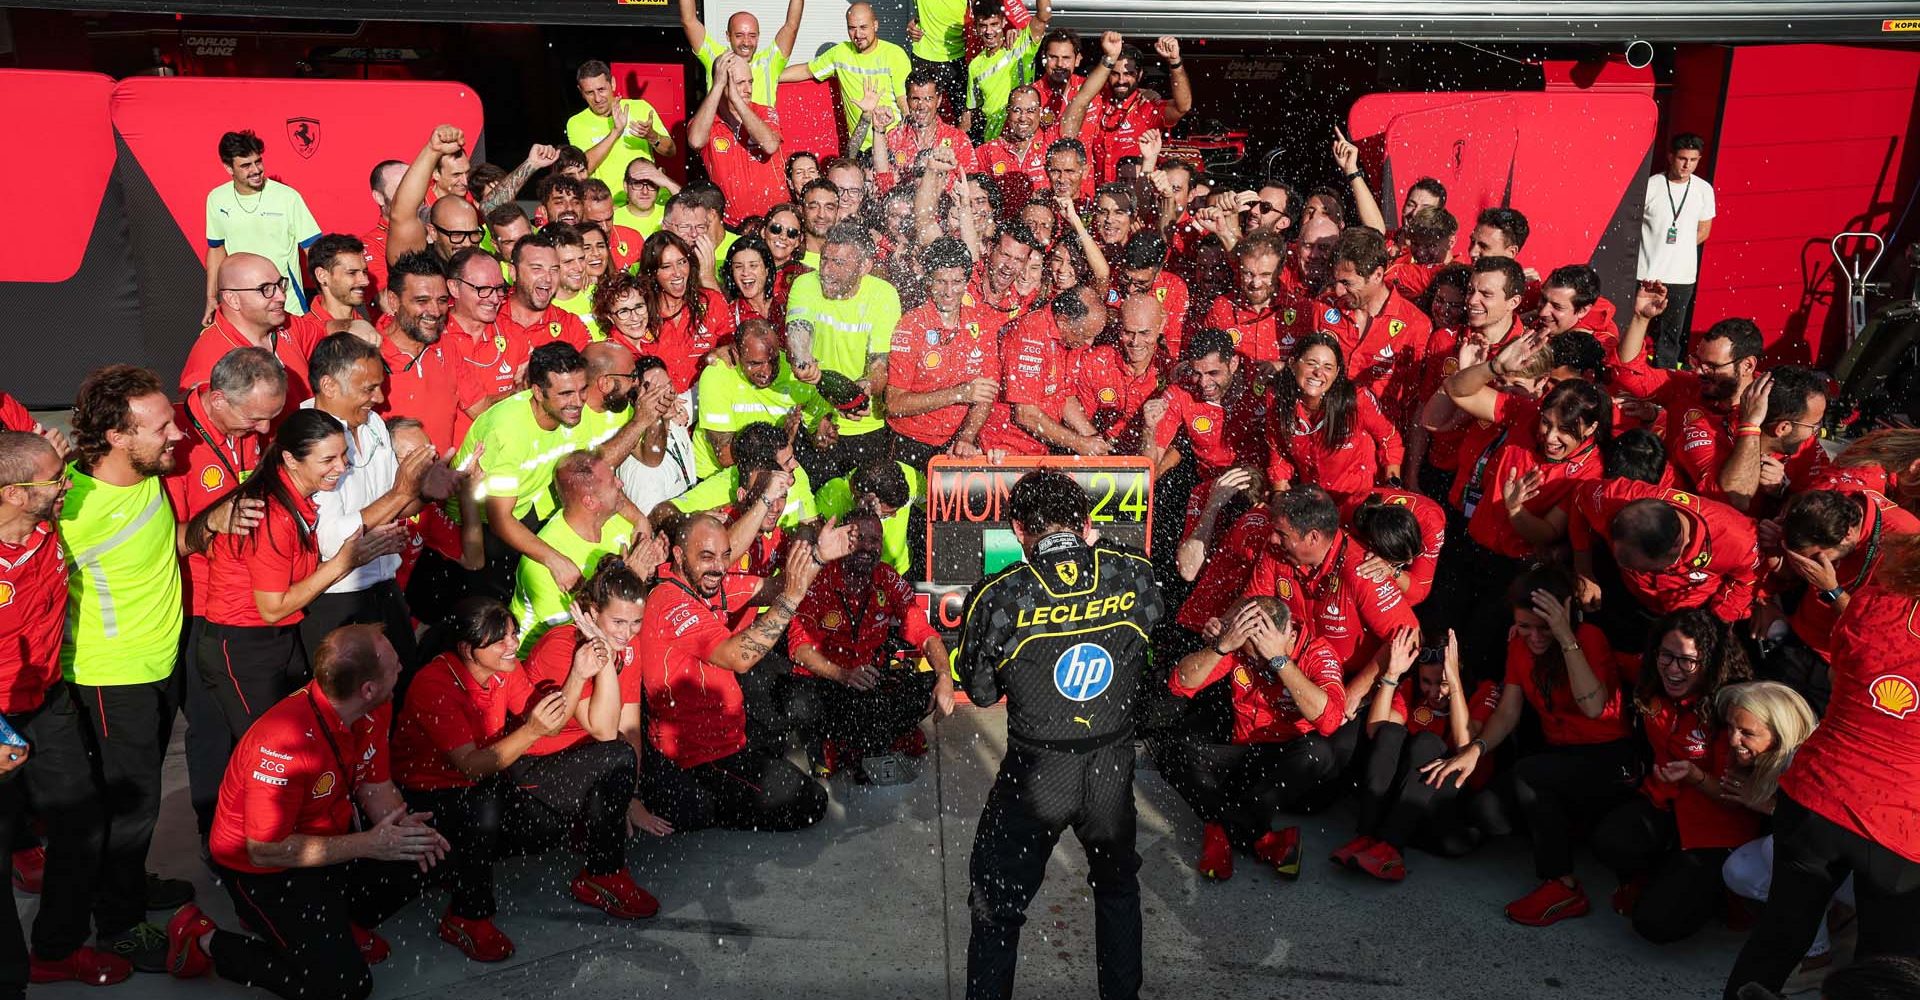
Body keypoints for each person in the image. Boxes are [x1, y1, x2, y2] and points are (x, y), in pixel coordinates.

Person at [956, 470, 1163, 1000]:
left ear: (1019, 530)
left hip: (1037, 771)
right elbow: (1154, 639)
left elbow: (978, 693)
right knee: (1117, 889)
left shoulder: (1000, 594)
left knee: (997, 903)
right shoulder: (1130, 571)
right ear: (1086, 522)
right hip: (1112, 767)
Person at [165, 626, 447, 1000]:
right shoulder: (283, 742)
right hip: (266, 870)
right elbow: (263, 850)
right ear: (367, 688)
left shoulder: (375, 705)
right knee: (343, 988)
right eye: (396, 667)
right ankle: (205, 939)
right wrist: (370, 843)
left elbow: (374, 784)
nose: (402, 670)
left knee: (428, 851)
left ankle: (336, 927)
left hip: (330, 845)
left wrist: (403, 829)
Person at [64, 365, 231, 971]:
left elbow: (164, 542)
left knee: (142, 801)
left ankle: (128, 885)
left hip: (159, 663)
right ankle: (118, 924)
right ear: (116, 435)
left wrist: (207, 526)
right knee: (130, 806)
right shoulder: (73, 507)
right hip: (113, 677)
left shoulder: (146, 477)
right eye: (161, 427)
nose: (178, 436)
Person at [394, 591, 653, 962]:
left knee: (616, 756)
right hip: (432, 799)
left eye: (513, 634)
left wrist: (579, 675)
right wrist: (531, 730)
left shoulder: (506, 669)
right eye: (501, 640)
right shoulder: (435, 684)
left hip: (492, 780)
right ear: (468, 650)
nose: (513, 645)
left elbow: (552, 724)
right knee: (481, 806)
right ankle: (468, 916)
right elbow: (471, 766)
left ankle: (603, 873)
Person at [1723, 532, 1920, 999]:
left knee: (1776, 938)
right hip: (1899, 831)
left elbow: (1838, 675)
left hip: (1818, 796)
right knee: (1884, 973)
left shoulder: (1876, 600)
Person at [1424, 568, 1635, 928]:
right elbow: (1508, 710)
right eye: (1525, 626)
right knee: (1487, 810)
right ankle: (1566, 828)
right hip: (1561, 757)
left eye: (1544, 626)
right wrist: (1476, 749)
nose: (1535, 637)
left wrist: (1566, 634)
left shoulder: (1589, 638)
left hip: (1610, 756)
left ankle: (1562, 884)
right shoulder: (1519, 647)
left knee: (1530, 775)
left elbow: (1593, 707)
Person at [0, 431, 125, 988]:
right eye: (56, 479)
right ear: (16, 494)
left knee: (81, 822)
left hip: (47, 702)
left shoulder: (52, 528)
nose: (66, 485)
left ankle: (55, 949)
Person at [199, 407, 404, 738]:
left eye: (343, 455)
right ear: (292, 460)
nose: (342, 466)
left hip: (279, 639)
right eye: (328, 460)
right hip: (244, 646)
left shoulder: (297, 501)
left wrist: (362, 554)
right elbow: (272, 607)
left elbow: (299, 581)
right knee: (269, 748)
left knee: (302, 737)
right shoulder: (274, 514)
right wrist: (342, 562)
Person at [635, 513, 845, 832]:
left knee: (796, 704)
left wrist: (816, 557)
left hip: (727, 734)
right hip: (697, 757)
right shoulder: (671, 603)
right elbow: (739, 657)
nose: (718, 566)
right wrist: (791, 598)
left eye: (724, 555)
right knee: (811, 802)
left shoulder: (703, 582)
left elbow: (775, 587)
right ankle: (698, 803)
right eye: (706, 556)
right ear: (678, 555)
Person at [165, 348, 287, 840]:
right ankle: (216, 838)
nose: (262, 432)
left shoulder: (250, 429)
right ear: (217, 400)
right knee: (212, 729)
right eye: (253, 419)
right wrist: (213, 524)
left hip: (254, 602)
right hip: (199, 609)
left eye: (270, 419)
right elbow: (168, 536)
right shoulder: (174, 440)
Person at [1591, 610, 1758, 943]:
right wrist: (1561, 635)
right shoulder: (1651, 677)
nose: (1672, 668)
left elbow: (1738, 796)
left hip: (1715, 827)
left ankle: (1726, 894)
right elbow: (1605, 657)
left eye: (1687, 661)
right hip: (1664, 804)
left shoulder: (1733, 708)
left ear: (1710, 662)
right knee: (1610, 840)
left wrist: (1695, 776)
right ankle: (1655, 874)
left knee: (1655, 925)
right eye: (1666, 655)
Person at [1161, 596, 1343, 882]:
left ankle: (1221, 829)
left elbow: (1330, 721)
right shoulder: (1240, 648)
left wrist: (1279, 661)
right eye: (1251, 654)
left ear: (1290, 635)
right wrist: (1221, 647)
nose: (1257, 662)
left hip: (1286, 766)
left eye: (1261, 654)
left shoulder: (1317, 652)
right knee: (1173, 752)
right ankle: (1261, 839)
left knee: (1319, 753)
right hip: (1244, 752)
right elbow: (1179, 684)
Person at [302, 334, 448, 674]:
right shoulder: (307, 440)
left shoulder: (374, 425)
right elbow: (331, 539)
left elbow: (393, 506)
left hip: (386, 589)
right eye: (368, 389)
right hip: (338, 602)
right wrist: (400, 493)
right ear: (329, 386)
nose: (379, 398)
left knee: (404, 692)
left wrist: (425, 493)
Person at [788, 510, 954, 777]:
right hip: (829, 681)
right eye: (859, 538)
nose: (867, 547)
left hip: (872, 682)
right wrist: (842, 675)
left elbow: (926, 634)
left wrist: (945, 677)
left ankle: (865, 741)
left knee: (931, 683)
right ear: (844, 539)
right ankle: (859, 740)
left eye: (874, 540)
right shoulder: (818, 578)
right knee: (798, 701)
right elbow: (799, 649)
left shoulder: (887, 578)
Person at [1335, 629, 1497, 881]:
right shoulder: (1413, 691)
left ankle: (1390, 847)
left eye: (1442, 683)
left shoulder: (1483, 691)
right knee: (1391, 732)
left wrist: (1454, 685)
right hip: (1409, 800)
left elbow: (1465, 744)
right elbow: (1377, 731)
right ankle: (1366, 837)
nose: (1434, 693)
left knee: (1426, 743)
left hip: (1450, 805)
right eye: (1427, 682)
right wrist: (1391, 675)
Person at [452, 342, 599, 602]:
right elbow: (500, 520)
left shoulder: (576, 415)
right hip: (472, 520)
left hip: (520, 507)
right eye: (565, 393)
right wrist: (555, 560)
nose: (577, 402)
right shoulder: (508, 430)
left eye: (582, 389)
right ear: (538, 393)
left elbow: (584, 473)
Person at [782, 222, 902, 478]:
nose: (826, 271)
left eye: (839, 264)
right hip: (814, 421)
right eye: (825, 259)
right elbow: (799, 331)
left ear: (864, 267)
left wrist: (864, 389)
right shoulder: (805, 283)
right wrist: (803, 361)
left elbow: (880, 365)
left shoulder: (884, 295)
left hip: (866, 427)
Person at [886, 238, 1001, 466]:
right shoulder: (911, 325)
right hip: (909, 443)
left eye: (957, 282)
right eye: (941, 281)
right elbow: (894, 404)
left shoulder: (981, 323)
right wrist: (959, 393)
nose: (949, 292)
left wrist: (966, 437)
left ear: (968, 282)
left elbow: (985, 394)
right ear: (928, 280)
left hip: (956, 445)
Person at [509, 452, 636, 651]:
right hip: (546, 661)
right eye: (612, 483)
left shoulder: (619, 524)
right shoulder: (543, 564)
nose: (621, 483)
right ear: (590, 502)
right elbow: (575, 636)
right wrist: (632, 578)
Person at [203, 130, 321, 324]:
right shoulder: (216, 199)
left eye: (258, 161)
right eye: (246, 165)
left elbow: (314, 250)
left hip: (286, 305)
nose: (256, 170)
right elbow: (216, 250)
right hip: (243, 309)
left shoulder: (287, 197)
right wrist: (210, 298)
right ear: (228, 168)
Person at [181, 251, 322, 410]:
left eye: (280, 285)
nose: (281, 297)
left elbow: (328, 334)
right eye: (266, 289)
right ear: (232, 299)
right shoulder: (209, 361)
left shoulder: (286, 324)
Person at [1062, 31, 1192, 186]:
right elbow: (1080, 96)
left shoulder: (1147, 107)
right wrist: (1109, 56)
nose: (1121, 81)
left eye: (1129, 74)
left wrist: (1175, 62)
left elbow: (1182, 107)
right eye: (1115, 74)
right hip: (1096, 197)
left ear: (1140, 75)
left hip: (1134, 198)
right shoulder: (1095, 101)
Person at [781, 2, 913, 150]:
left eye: (863, 27)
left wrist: (911, 141)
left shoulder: (895, 54)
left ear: (875, 25)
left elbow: (905, 102)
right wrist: (767, 76)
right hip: (859, 146)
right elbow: (807, 70)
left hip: (892, 143)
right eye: (852, 28)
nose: (858, 35)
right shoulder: (840, 53)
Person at [375, 251, 466, 454]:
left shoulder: (446, 344)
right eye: (422, 301)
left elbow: (480, 406)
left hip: (442, 480)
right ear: (393, 300)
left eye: (442, 300)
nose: (435, 311)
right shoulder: (368, 355)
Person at [1638, 133, 1716, 369]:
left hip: (1682, 277)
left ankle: (1664, 378)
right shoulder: (1651, 185)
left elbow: (1704, 230)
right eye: (1682, 159)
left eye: (1693, 160)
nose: (1686, 165)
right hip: (1646, 274)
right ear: (1671, 157)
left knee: (1671, 335)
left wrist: (1679, 249)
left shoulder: (1703, 189)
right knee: (1637, 327)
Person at [689, 51, 787, 228]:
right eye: (740, 83)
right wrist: (718, 86)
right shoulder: (708, 119)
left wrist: (737, 100)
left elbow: (770, 145)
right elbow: (695, 141)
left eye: (750, 82)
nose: (748, 88)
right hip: (731, 225)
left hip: (774, 223)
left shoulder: (764, 112)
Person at [566, 60, 676, 198]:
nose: (598, 98)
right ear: (580, 92)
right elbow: (583, 169)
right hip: (607, 206)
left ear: (612, 83)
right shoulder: (576, 123)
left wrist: (652, 137)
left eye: (601, 90)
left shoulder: (640, 108)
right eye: (589, 92)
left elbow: (671, 151)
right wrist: (616, 132)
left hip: (645, 200)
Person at [679, 0, 804, 106]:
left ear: (758, 36)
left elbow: (791, 26)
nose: (746, 42)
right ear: (728, 36)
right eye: (739, 35)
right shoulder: (717, 58)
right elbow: (689, 21)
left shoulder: (769, 62)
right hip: (723, 134)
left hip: (760, 133)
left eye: (752, 36)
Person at [963, 0, 1051, 142]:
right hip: (994, 142)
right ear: (976, 28)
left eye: (994, 24)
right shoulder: (975, 65)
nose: (989, 31)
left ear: (1004, 22)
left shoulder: (1019, 45)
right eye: (983, 26)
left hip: (1023, 139)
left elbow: (1044, 15)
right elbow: (971, 112)